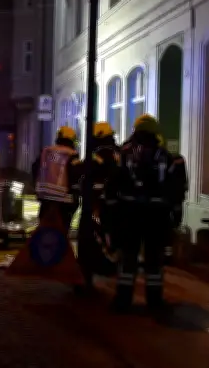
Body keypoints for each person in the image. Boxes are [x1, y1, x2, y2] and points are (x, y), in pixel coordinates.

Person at [104, 114, 182, 312]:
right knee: (154, 259)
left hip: (129, 213)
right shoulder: (165, 156)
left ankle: (123, 300)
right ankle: (154, 301)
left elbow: (112, 184)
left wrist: (112, 212)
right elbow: (174, 188)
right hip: (157, 215)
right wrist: (174, 214)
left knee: (127, 257)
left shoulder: (123, 153)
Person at [77, 122, 121, 292]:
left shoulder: (98, 154)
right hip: (115, 202)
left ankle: (90, 272)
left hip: (96, 203)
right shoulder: (118, 152)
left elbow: (86, 173)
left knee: (91, 235)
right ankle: (110, 263)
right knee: (110, 234)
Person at [32, 125, 84, 233]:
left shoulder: (46, 152)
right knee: (62, 229)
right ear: (72, 140)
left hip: (45, 197)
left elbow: (35, 168)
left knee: (44, 226)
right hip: (64, 200)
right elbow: (76, 175)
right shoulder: (72, 155)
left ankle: (43, 241)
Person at [159, 134, 188, 266]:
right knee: (171, 227)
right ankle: (168, 255)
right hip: (173, 201)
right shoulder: (176, 160)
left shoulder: (161, 161)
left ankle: (166, 255)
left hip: (166, 202)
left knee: (166, 228)